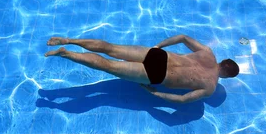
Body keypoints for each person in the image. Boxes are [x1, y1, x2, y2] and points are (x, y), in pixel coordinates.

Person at [45, 35, 239, 103]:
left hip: (159, 56)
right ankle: (68, 54)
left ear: (223, 62)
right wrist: (156, 95)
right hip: (157, 75)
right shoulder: (210, 87)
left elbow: (182, 37)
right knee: (109, 65)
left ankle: (69, 40)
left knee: (110, 48)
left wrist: (159, 46)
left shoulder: (207, 52)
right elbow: (182, 99)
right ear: (226, 76)